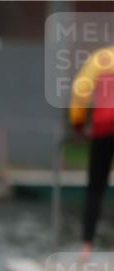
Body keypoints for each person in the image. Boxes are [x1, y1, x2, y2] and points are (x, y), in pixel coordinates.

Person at [70, 45, 114, 259]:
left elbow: (80, 90)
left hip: (104, 128)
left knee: (95, 188)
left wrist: (78, 123)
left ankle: (86, 246)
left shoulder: (100, 59)